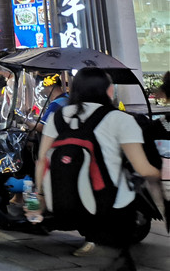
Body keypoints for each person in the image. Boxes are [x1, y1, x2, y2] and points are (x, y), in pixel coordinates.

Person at [35, 67, 160, 267]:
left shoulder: (58, 116)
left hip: (68, 201)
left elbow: (42, 160)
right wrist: (159, 175)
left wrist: (40, 196)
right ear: (108, 90)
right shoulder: (121, 118)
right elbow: (142, 168)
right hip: (113, 205)